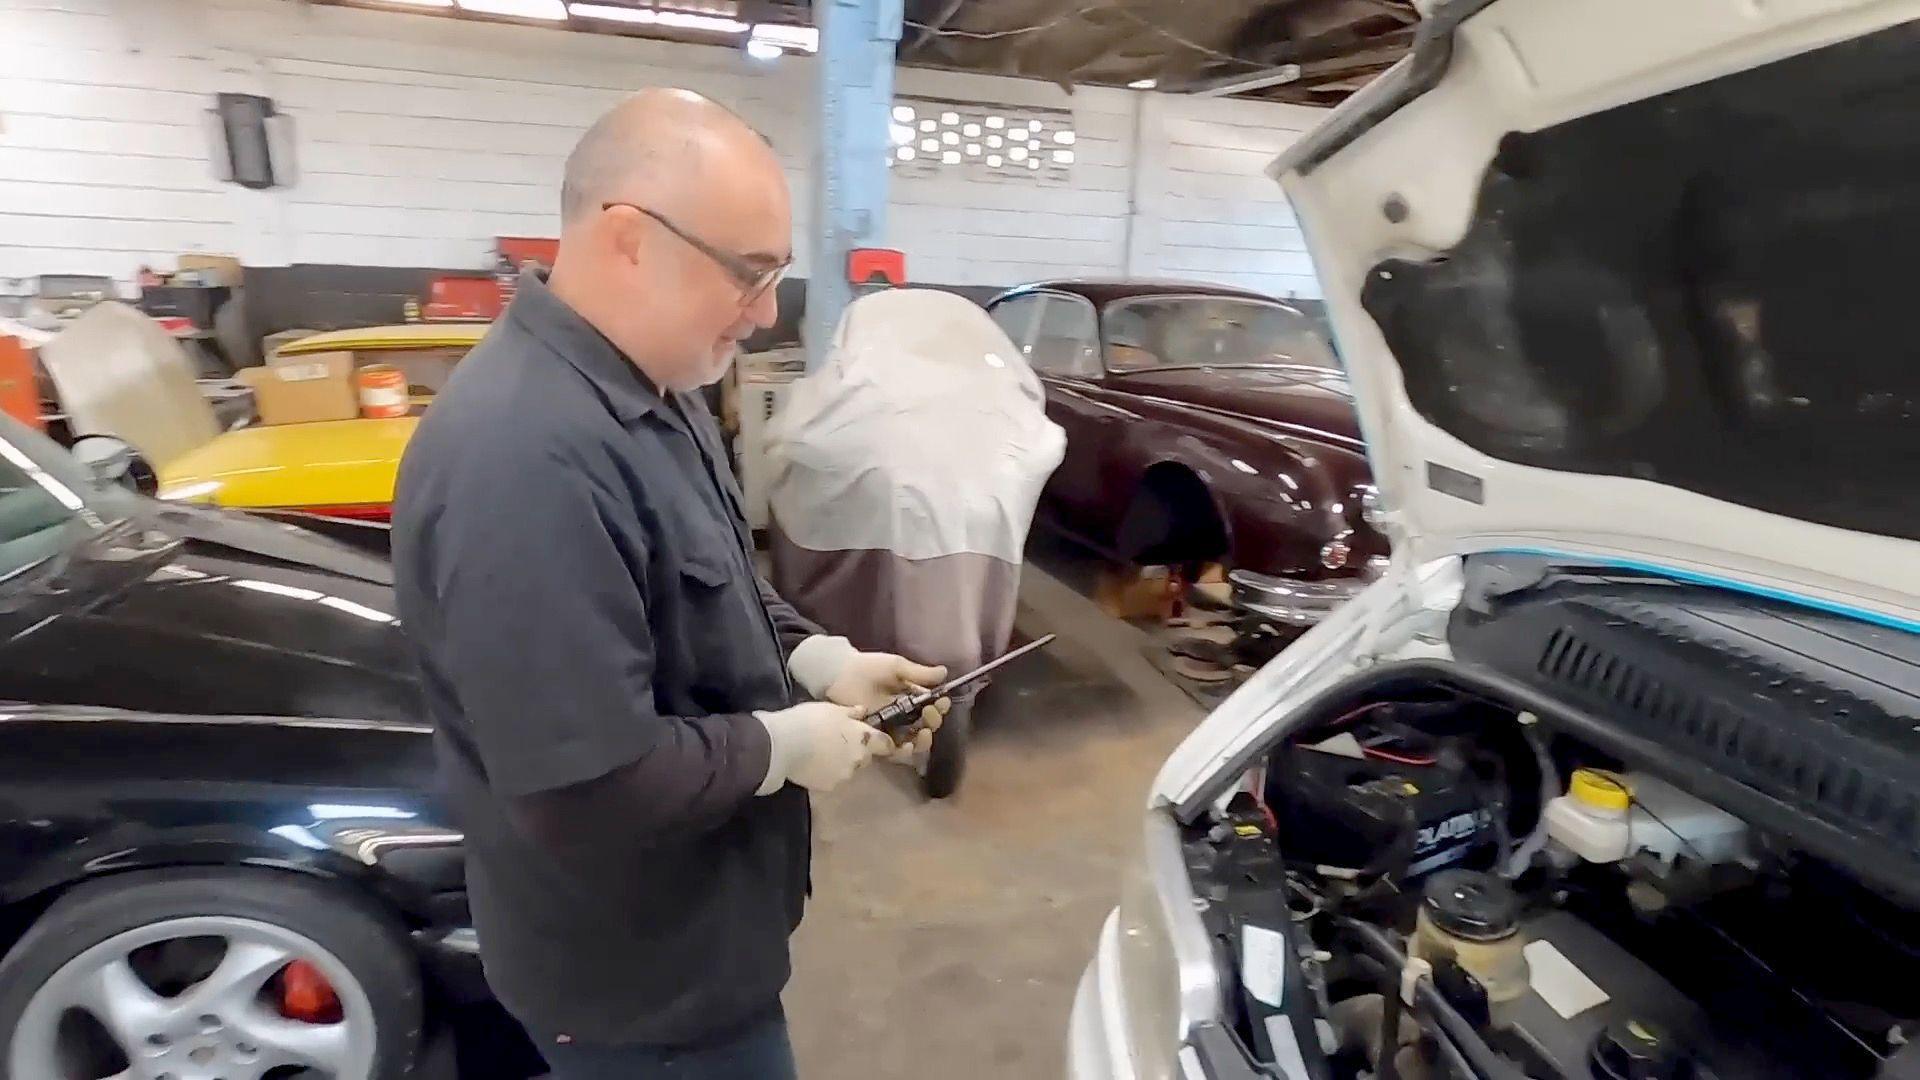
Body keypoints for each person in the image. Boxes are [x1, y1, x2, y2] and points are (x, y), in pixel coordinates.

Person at [391, 88, 949, 1080]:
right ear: (629, 239)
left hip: (708, 935)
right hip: (640, 994)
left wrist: (821, 660)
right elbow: (581, 786)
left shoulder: (657, 384)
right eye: (751, 271)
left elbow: (716, 577)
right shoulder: (525, 459)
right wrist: (782, 748)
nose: (769, 309)